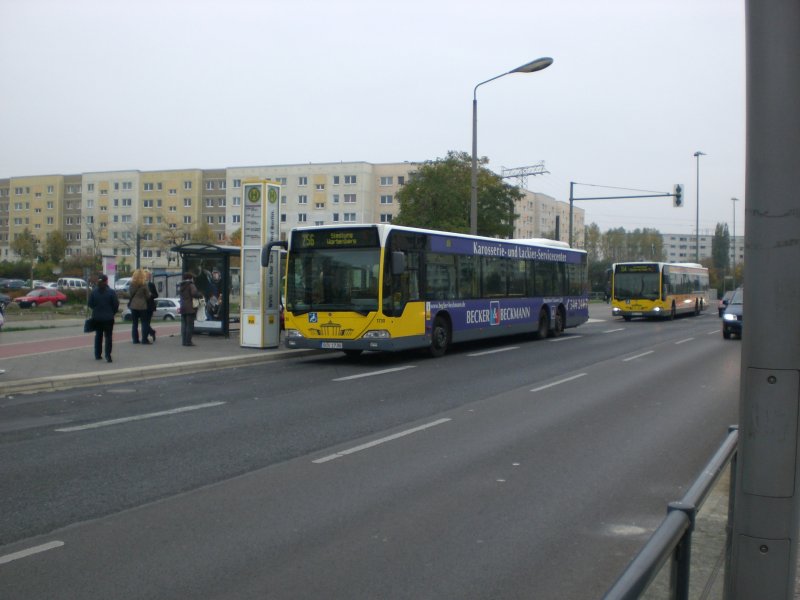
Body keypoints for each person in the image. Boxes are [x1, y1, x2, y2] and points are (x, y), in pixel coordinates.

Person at [88, 273, 119, 363]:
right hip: (108, 318)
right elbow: (115, 305)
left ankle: (97, 354)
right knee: (108, 337)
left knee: (98, 336)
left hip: (97, 317)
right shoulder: (111, 292)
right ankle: (108, 355)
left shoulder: (94, 292)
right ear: (106, 281)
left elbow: (90, 304)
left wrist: (96, 309)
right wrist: (112, 313)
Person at [179, 272, 204, 346]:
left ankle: (184, 341)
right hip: (190, 307)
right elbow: (194, 294)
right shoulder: (191, 285)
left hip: (183, 307)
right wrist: (200, 294)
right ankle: (188, 342)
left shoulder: (181, 285)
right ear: (190, 278)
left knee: (184, 325)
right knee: (190, 325)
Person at [128, 268, 152, 345]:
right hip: (142, 306)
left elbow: (130, 294)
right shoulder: (144, 284)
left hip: (133, 306)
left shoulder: (132, 284)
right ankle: (144, 339)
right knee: (144, 323)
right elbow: (148, 296)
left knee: (134, 323)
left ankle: (135, 339)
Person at [145, 271, 158, 342]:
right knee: (145, 322)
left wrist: (151, 295)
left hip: (150, 306)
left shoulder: (151, 285)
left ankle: (146, 336)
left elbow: (156, 295)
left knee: (147, 322)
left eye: (149, 276)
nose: (147, 277)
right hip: (142, 305)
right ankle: (151, 332)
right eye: (146, 276)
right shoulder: (141, 284)